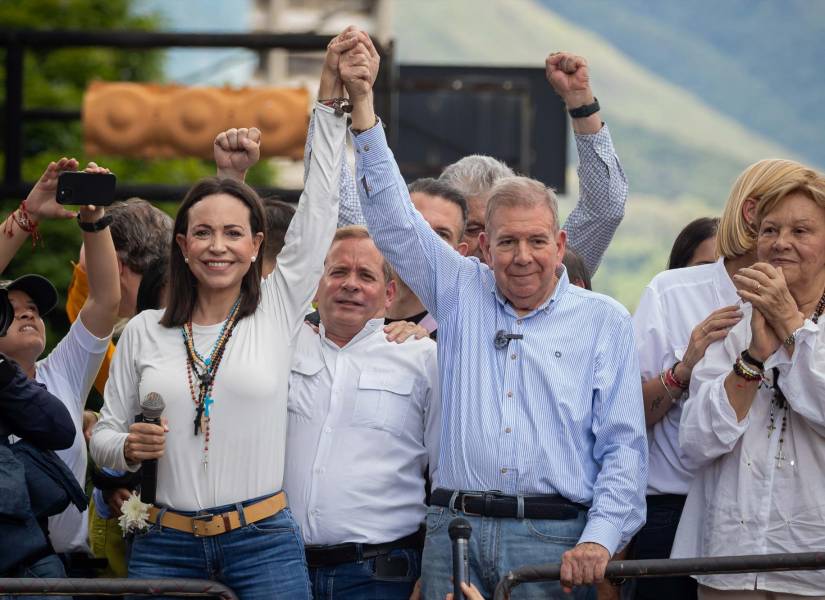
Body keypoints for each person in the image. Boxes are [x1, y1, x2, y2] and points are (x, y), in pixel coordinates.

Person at [338, 35, 647, 599]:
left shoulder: (601, 317)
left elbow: (624, 444)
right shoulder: (460, 290)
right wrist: (361, 103)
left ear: (560, 243)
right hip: (451, 531)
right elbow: (386, 210)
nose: (521, 257)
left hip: (552, 537)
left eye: (535, 241)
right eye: (502, 241)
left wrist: (599, 539)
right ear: (480, 249)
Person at [91, 92, 345, 598]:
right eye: (202, 233)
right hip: (165, 542)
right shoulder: (144, 329)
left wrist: (331, 110)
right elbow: (104, 439)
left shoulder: (275, 310)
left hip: (262, 542)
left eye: (234, 233)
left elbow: (319, 214)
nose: (218, 246)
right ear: (182, 247)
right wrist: (127, 448)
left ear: (256, 247)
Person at [631, 159, 823, 600]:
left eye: (801, 231)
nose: (780, 244)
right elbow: (696, 442)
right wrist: (753, 358)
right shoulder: (732, 323)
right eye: (770, 230)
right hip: (727, 562)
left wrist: (793, 328)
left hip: (813, 563)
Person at [283, 225, 440, 600]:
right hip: (281, 569)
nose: (350, 284)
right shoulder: (282, 347)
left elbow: (444, 473)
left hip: (379, 575)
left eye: (365, 275)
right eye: (338, 272)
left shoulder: (422, 358)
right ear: (318, 285)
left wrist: (436, 567)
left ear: (389, 294)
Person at [0, 158, 120, 559]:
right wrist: (28, 213)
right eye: (9, 307)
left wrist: (94, 220)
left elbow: (105, 300)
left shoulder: (63, 373)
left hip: (70, 570)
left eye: (33, 306)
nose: (28, 312)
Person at [438, 53, 628, 276]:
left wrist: (581, 104)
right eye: (473, 229)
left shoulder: (542, 270)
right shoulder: (422, 284)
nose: (487, 243)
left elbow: (604, 210)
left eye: (502, 231)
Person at [0, 349, 77, 594]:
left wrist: (5, 372)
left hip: (30, 563)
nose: (26, 315)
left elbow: (62, 430)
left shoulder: (5, 375)